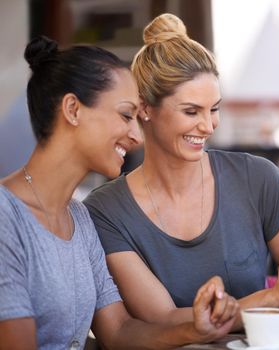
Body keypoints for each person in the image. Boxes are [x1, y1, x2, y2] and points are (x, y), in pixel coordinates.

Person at [84, 13, 279, 328]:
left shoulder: (257, 178)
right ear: (144, 109)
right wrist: (272, 298)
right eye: (191, 111)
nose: (208, 126)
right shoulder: (106, 212)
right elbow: (162, 320)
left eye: (214, 109)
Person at [0, 35, 238, 350]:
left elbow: (119, 331)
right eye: (126, 116)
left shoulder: (79, 218)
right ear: (73, 109)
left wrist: (197, 330)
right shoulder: (6, 217)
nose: (136, 136)